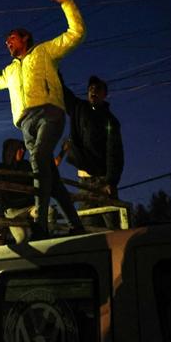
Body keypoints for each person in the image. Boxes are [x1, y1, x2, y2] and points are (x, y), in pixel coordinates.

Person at [0, 0, 85, 238]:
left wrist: (66, 3)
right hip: (25, 124)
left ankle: (40, 219)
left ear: (25, 38)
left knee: (38, 160)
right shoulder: (11, 70)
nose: (8, 43)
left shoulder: (44, 52)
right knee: (50, 177)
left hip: (49, 113)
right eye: (7, 41)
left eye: (12, 38)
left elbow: (76, 33)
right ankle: (75, 223)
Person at [61, 75, 124, 228]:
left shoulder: (110, 120)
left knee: (112, 225)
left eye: (97, 89)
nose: (93, 91)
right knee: (88, 225)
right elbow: (64, 93)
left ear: (104, 94)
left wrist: (111, 181)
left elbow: (114, 151)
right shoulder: (80, 109)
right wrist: (53, 70)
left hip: (102, 180)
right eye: (90, 89)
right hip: (84, 180)